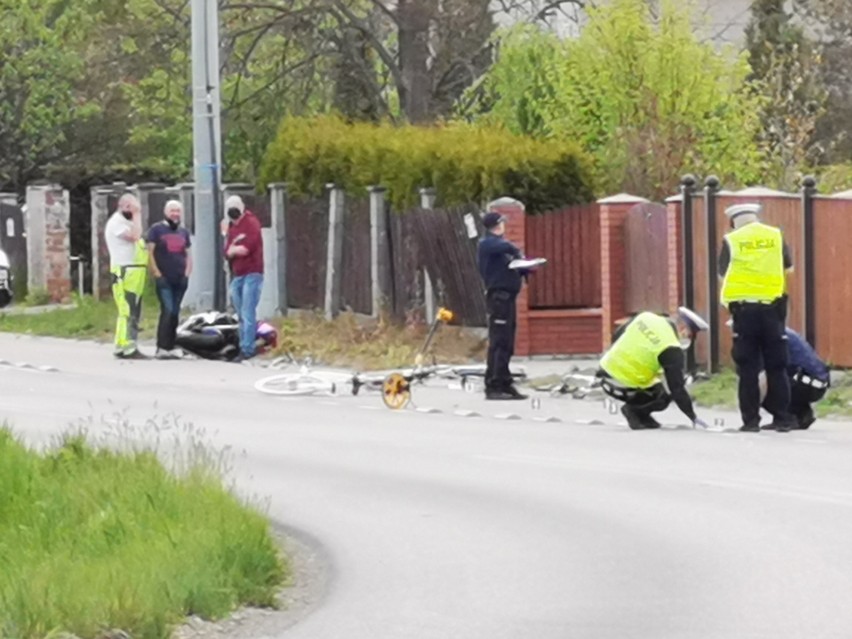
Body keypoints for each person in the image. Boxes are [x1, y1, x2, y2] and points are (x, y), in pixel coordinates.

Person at [719, 202, 795, 432]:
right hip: (773, 311)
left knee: (748, 368)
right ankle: (782, 419)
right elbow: (789, 268)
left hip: (744, 313)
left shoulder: (732, 240)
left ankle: (750, 422)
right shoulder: (775, 236)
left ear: (734, 222)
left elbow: (723, 274)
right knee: (777, 366)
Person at [597, 308, 710, 430]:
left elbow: (617, 334)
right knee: (664, 396)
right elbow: (676, 388)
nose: (688, 339)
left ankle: (643, 417)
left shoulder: (645, 317)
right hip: (624, 384)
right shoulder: (671, 347)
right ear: (683, 329)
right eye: (690, 335)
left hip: (605, 374)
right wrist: (692, 416)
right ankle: (634, 411)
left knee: (656, 384)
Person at [477, 211, 530, 400]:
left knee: (507, 342)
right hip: (498, 298)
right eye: (501, 224)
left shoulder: (500, 249)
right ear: (496, 226)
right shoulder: (488, 244)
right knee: (499, 341)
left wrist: (524, 267)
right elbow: (504, 246)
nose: (503, 227)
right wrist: (516, 252)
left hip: (508, 298)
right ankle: (494, 385)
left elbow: (510, 258)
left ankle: (505, 382)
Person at [104, 193, 149, 359]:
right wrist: (137, 215)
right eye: (131, 207)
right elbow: (135, 236)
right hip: (124, 271)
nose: (135, 211)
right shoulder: (116, 223)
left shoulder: (126, 222)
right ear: (123, 206)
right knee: (128, 310)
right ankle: (127, 346)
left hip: (134, 271)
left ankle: (123, 344)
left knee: (133, 310)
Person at [146, 199, 192, 359]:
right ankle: (162, 347)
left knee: (175, 312)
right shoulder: (156, 230)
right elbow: (150, 252)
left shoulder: (183, 232)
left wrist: (187, 273)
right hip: (164, 277)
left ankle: (171, 345)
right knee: (168, 310)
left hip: (180, 278)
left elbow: (187, 254)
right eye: (172, 210)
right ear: (166, 212)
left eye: (178, 211)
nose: (175, 214)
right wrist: (156, 273)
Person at [223, 195, 264, 362]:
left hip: (252, 273)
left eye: (235, 206)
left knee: (248, 312)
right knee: (240, 312)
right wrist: (232, 250)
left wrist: (234, 250)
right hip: (237, 274)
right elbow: (227, 251)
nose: (233, 210)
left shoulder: (251, 223)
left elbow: (247, 248)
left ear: (242, 207)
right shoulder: (232, 228)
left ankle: (247, 349)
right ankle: (243, 344)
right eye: (230, 207)